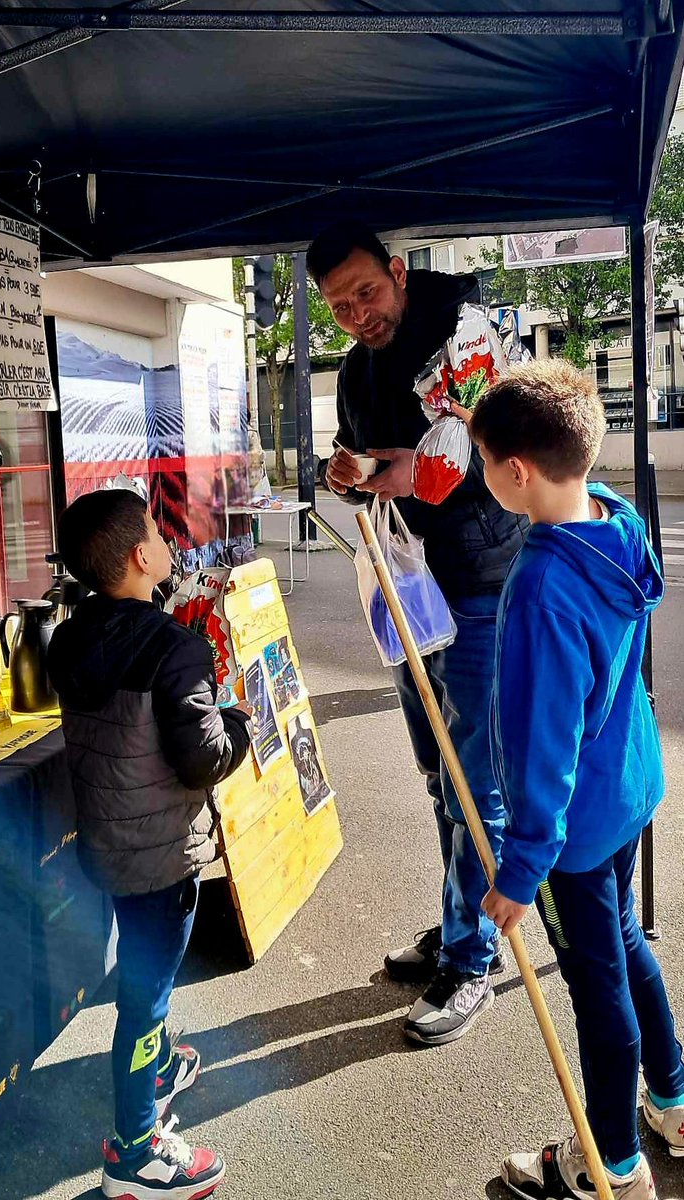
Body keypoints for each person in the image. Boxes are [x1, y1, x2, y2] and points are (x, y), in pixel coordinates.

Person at [306, 222, 528, 1046]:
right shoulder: (357, 368)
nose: (357, 314)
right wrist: (353, 471)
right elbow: (372, 465)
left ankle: (473, 962)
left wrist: (404, 470)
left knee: (477, 788)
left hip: (478, 588)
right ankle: (457, 916)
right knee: (441, 776)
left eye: (365, 291)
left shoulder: (463, 334)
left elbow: (453, 466)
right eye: (337, 306)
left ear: (397, 272)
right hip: (408, 597)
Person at [469, 361, 684, 1200]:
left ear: (515, 471)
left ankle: (608, 1164)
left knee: (596, 982)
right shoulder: (616, 520)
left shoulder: (541, 585)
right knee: (624, 945)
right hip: (624, 791)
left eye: (485, 461)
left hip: (574, 829)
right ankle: (672, 1099)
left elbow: (539, 742)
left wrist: (522, 870)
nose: (483, 476)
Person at [47, 488, 253, 1200]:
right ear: (141, 557)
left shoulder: (71, 637)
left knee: (140, 975)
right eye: (159, 537)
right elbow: (202, 757)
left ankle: (158, 1067)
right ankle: (136, 1153)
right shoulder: (175, 648)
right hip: (162, 858)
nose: (167, 546)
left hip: (107, 849)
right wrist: (239, 723)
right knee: (145, 999)